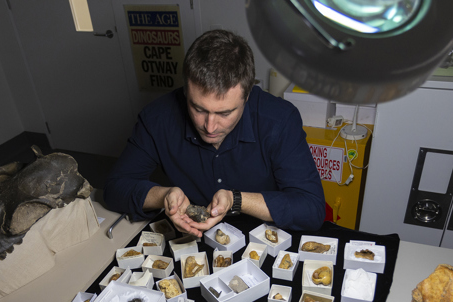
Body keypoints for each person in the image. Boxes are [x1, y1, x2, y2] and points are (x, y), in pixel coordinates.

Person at [104, 29, 325, 237]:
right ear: (185, 90)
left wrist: (235, 200)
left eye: (225, 113)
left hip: (264, 239)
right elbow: (114, 189)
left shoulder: (280, 120)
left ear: (247, 96)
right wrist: (164, 196)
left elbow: (311, 209)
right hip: (189, 238)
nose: (209, 127)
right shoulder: (157, 118)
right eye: (198, 109)